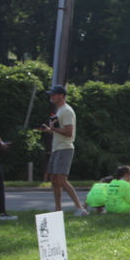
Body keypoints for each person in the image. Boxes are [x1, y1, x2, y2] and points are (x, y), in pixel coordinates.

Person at [41, 84, 88, 216]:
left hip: (64, 148)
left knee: (61, 179)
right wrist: (48, 130)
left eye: (53, 95)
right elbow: (60, 132)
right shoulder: (60, 110)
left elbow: (68, 132)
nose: (51, 97)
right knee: (54, 179)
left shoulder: (66, 111)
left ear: (61, 95)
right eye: (51, 95)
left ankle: (80, 208)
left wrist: (53, 128)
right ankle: (58, 209)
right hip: (57, 148)